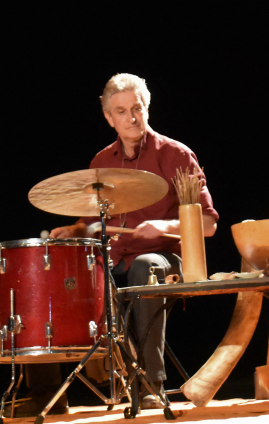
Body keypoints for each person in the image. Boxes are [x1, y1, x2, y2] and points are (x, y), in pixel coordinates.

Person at [51, 73, 218, 409]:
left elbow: (208, 224)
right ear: (109, 118)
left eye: (137, 108)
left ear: (147, 108)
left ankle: (151, 385)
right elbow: (91, 221)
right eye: (122, 111)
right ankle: (62, 386)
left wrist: (164, 224)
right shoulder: (101, 163)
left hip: (166, 261)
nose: (131, 117)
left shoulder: (176, 155)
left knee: (144, 266)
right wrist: (74, 230)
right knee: (83, 273)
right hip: (115, 260)